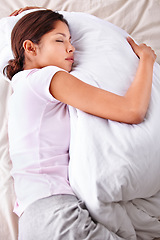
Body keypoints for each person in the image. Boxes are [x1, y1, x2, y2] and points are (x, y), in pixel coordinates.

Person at [4, 8, 156, 240]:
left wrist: (35, 13)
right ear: (30, 47)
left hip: (35, 218)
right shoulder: (45, 77)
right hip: (54, 216)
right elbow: (132, 110)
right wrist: (147, 58)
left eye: (71, 40)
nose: (71, 48)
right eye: (59, 40)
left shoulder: (21, 86)